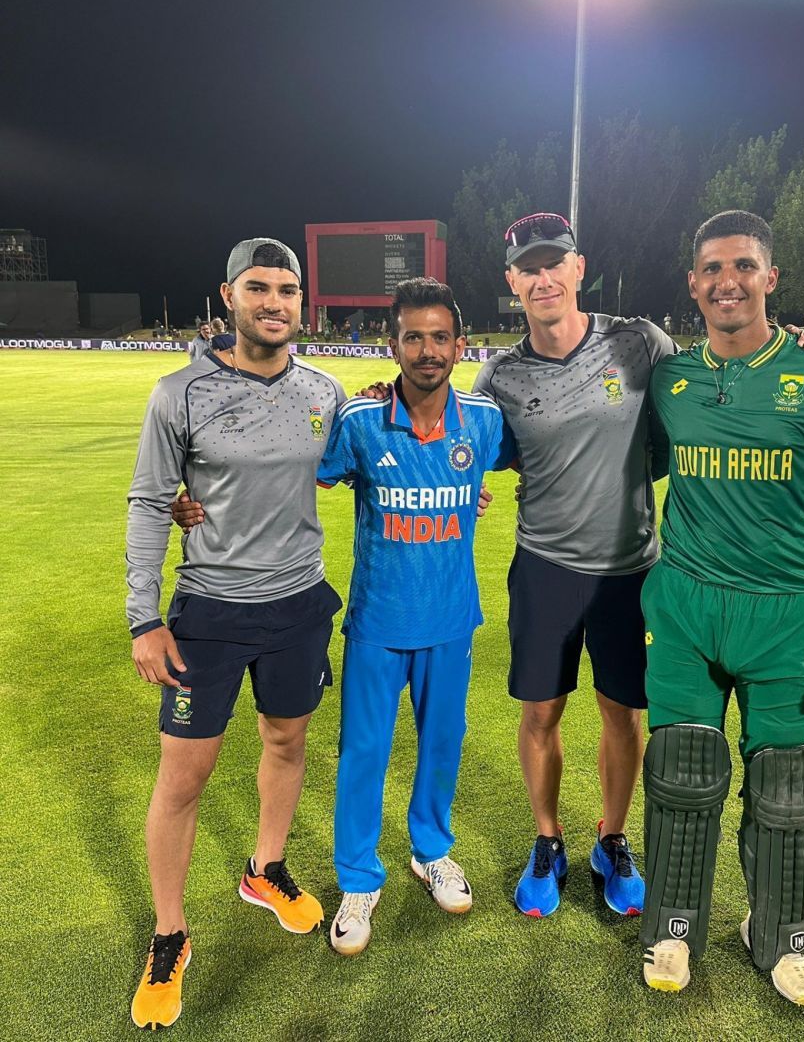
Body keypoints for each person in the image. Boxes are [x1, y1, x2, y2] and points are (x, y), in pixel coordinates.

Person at [637, 210, 804, 1006]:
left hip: (786, 615)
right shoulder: (669, 380)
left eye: (743, 266)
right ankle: (671, 928)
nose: (727, 282)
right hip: (683, 604)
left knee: (786, 790)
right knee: (682, 774)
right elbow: (621, 462)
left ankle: (780, 937)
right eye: (711, 269)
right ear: (693, 283)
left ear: (771, 278)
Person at [125, 239, 344, 1029]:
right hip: (209, 614)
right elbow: (151, 502)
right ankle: (170, 935)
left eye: (288, 289)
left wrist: (456, 492)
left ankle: (265, 869)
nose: (275, 302)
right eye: (260, 287)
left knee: (287, 743)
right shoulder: (179, 393)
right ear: (228, 296)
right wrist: (144, 618)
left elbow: (364, 463)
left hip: (297, 608)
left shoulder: (326, 389)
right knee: (184, 779)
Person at [473, 212, 677, 919]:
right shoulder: (499, 374)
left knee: (623, 715)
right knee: (541, 712)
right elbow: (467, 447)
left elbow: (693, 415)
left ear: (578, 267)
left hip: (631, 570)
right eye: (527, 267)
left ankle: (612, 839)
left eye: (553, 262)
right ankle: (548, 838)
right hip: (546, 569)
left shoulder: (639, 342)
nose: (542, 276)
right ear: (512, 283)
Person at [315, 279, 514, 951]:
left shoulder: (484, 421)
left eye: (439, 337)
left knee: (441, 745)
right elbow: (299, 477)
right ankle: (359, 880)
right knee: (362, 754)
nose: (427, 350)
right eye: (412, 337)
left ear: (460, 345)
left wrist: (470, 496)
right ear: (391, 344)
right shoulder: (359, 423)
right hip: (377, 620)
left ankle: (431, 852)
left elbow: (504, 471)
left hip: (451, 619)